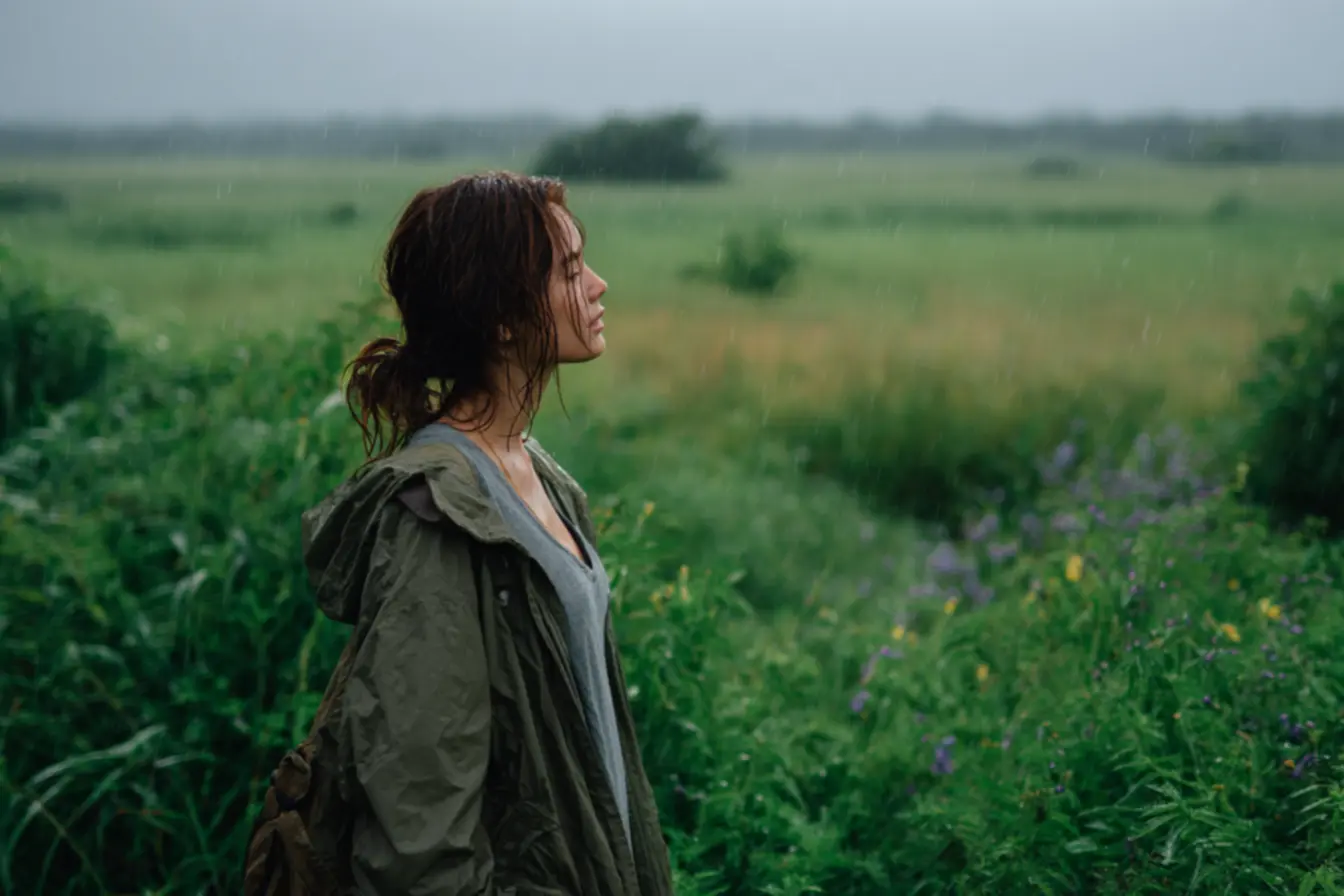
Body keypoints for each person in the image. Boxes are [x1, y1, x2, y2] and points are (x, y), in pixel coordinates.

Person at [299, 171, 673, 895]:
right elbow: (420, 816)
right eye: (569, 271)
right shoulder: (436, 515)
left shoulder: (538, 473)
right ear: (502, 318)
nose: (598, 286)